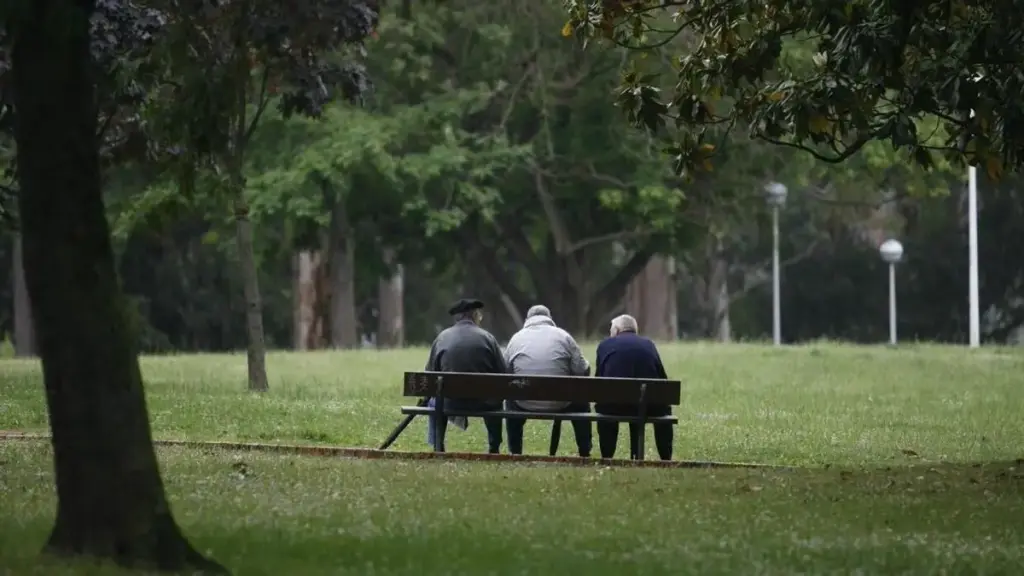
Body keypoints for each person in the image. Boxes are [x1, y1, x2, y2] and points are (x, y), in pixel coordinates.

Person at [502, 305, 592, 457]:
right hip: (561, 401)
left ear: (527, 320)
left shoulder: (516, 339)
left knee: (511, 401)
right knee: (581, 400)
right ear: (550, 319)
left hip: (524, 402)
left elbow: (505, 373)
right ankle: (584, 449)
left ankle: (515, 451)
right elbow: (581, 371)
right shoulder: (564, 337)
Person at [423, 298, 506, 453]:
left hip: (450, 402)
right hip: (484, 403)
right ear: (474, 315)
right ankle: (494, 447)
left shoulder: (442, 338)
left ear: (457, 318)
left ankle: (438, 445)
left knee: (435, 401)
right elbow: (503, 373)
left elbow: (430, 375)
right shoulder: (488, 338)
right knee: (495, 398)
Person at [594, 314, 673, 460]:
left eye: (611, 329)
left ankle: (607, 456)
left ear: (617, 330)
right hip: (647, 406)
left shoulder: (605, 345)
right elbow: (662, 378)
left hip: (613, 406)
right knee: (662, 408)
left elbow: (599, 380)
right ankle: (666, 457)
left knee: (605, 404)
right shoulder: (649, 344)